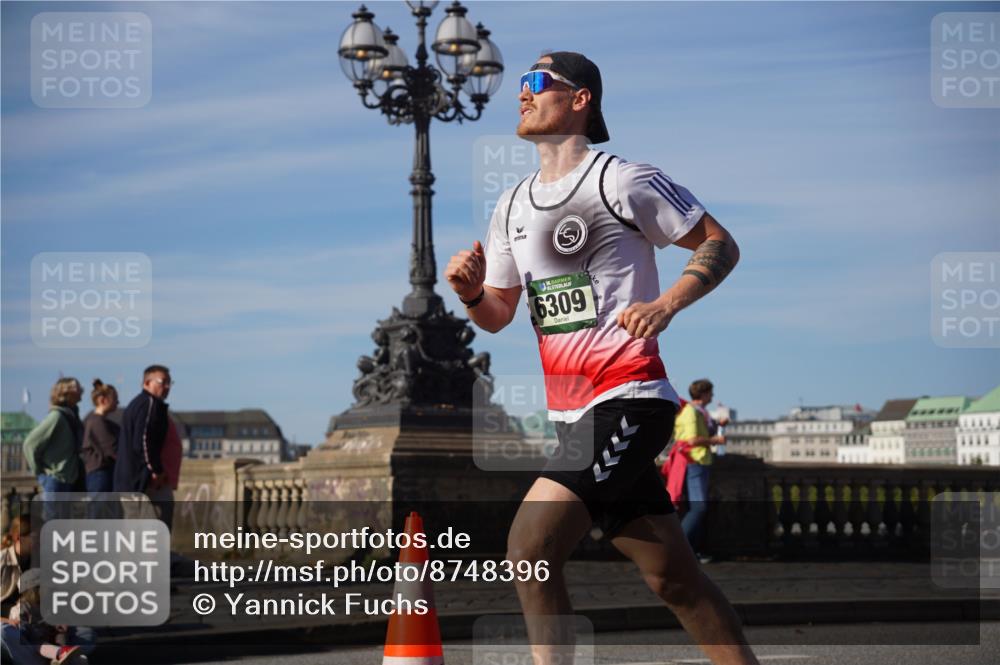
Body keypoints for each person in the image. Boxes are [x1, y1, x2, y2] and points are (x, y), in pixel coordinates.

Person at [445, 52, 758, 664]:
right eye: (521, 86)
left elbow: (720, 243)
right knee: (673, 579)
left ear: (581, 99)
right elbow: (499, 314)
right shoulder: (510, 205)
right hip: (571, 414)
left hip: (629, 400)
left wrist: (667, 304)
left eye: (538, 83)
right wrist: (471, 293)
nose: (523, 95)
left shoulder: (625, 181)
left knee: (529, 547)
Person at [664, 379, 727, 561]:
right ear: (705, 393)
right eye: (711, 393)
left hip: (697, 461)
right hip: (694, 461)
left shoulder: (698, 411)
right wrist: (716, 441)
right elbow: (692, 440)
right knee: (699, 507)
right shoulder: (692, 411)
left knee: (695, 508)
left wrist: (720, 425)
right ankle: (677, 549)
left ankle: (692, 551)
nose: (713, 396)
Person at [114, 365, 182, 530]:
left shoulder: (139, 404)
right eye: (162, 382)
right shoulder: (149, 404)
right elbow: (143, 441)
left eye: (169, 383)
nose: (166, 387)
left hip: (133, 481)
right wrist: (155, 471)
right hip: (143, 482)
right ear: (146, 383)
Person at [22, 379, 84, 495]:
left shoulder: (72, 415)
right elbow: (29, 444)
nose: (82, 390)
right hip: (56, 480)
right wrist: (41, 474)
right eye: (77, 387)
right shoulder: (56, 417)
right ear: (66, 392)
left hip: (67, 479)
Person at [81, 379, 120, 494]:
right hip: (100, 475)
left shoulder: (98, 421)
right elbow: (113, 449)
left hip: (101, 475)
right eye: (115, 399)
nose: (117, 402)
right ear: (103, 400)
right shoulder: (97, 422)